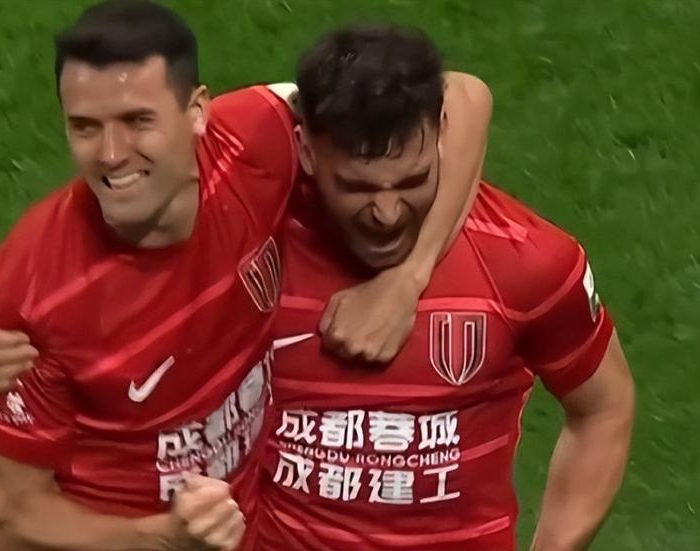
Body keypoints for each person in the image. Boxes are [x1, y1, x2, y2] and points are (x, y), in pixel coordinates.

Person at [0, 2, 491, 550]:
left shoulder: (253, 143)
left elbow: (462, 95)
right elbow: (13, 518)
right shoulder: (28, 300)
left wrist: (408, 277)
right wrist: (163, 539)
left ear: (198, 112)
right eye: (85, 127)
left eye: (138, 122)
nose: (111, 154)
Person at [255, 26, 635, 550]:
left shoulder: (523, 260)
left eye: (412, 181)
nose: (387, 213)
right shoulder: (251, 239)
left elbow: (604, 408)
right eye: (356, 187)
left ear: (441, 136)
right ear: (306, 151)